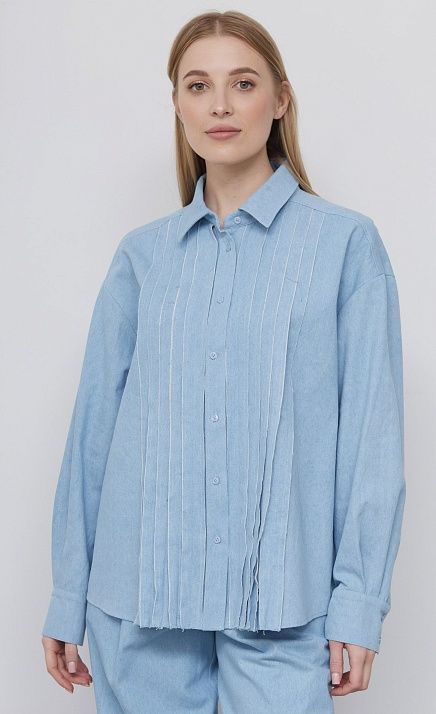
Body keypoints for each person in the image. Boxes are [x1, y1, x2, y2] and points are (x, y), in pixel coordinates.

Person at [41, 10, 406, 713]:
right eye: (198, 85)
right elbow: (94, 434)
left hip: (283, 607)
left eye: (242, 83)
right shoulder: (142, 256)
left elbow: (371, 439)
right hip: (138, 604)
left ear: (281, 99)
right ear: (177, 104)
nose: (219, 106)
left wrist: (359, 603)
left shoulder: (346, 246)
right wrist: (68, 592)